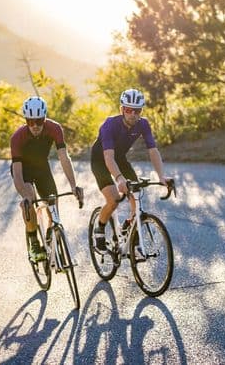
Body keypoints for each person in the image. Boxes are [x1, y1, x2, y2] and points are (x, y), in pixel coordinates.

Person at [90, 88, 171, 253]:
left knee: (137, 196)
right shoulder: (109, 124)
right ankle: (99, 229)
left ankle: (128, 226)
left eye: (137, 111)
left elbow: (153, 151)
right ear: (122, 109)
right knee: (113, 200)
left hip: (119, 158)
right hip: (101, 160)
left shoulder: (143, 124)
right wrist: (119, 178)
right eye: (128, 110)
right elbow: (108, 158)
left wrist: (161, 176)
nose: (132, 114)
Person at [10, 96, 83, 262]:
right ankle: (34, 242)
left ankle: (51, 238)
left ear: (45, 118)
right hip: (24, 170)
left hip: (42, 168)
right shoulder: (17, 137)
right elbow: (17, 172)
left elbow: (64, 158)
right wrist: (25, 197)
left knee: (54, 208)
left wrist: (74, 185)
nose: (35, 126)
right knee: (30, 200)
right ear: (26, 120)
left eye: (39, 121)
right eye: (30, 121)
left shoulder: (54, 128)